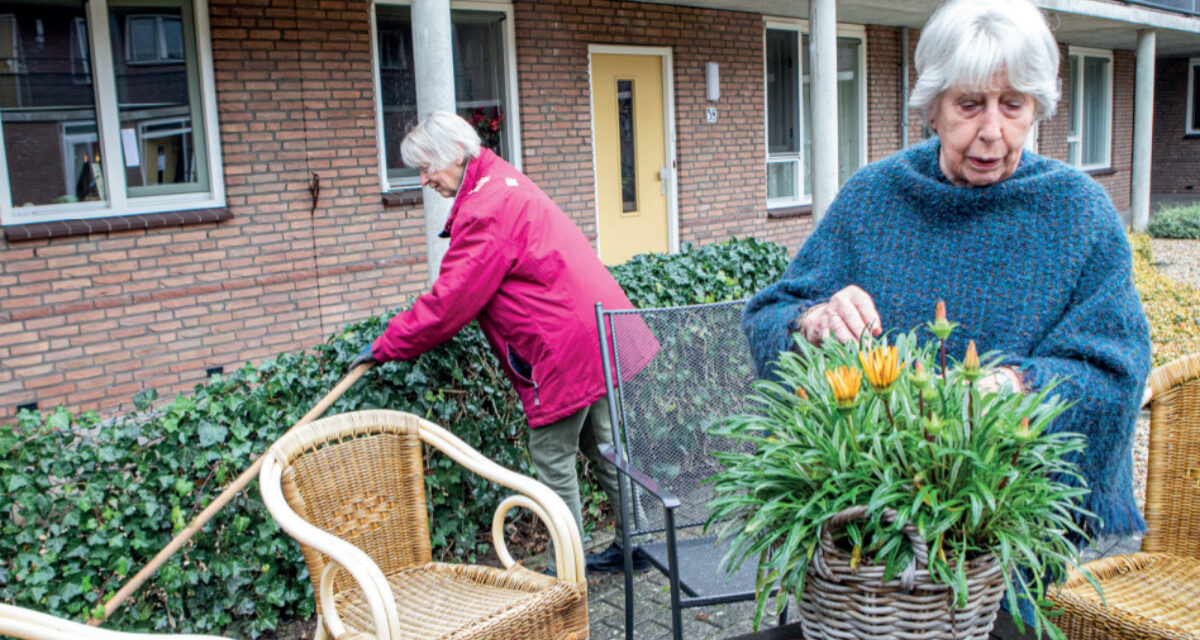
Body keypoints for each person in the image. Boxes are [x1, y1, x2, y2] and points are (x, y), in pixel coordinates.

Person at [744, 0, 1151, 542]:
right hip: (880, 520)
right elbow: (768, 318)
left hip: (1035, 529)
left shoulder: (1079, 213)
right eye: (969, 104)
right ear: (932, 106)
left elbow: (1116, 375)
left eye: (1012, 105)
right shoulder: (874, 197)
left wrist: (1011, 390)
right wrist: (813, 322)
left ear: (1037, 108)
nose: (991, 130)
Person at [351, 111, 656, 575]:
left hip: (563, 346)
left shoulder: (483, 209)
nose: (425, 179)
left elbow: (449, 303)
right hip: (596, 328)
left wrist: (386, 345)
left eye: (427, 166)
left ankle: (563, 574)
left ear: (456, 153)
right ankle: (640, 547)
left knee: (553, 458)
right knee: (606, 447)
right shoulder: (499, 178)